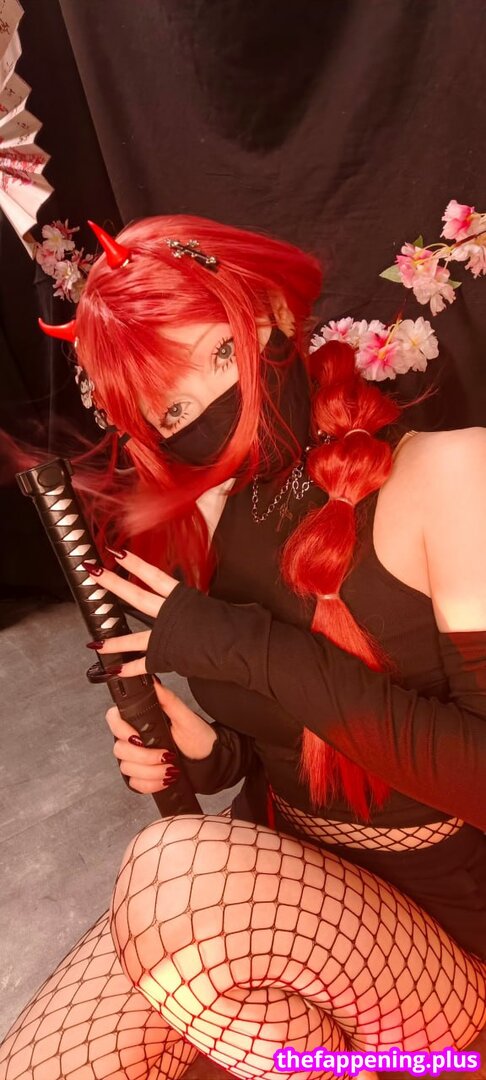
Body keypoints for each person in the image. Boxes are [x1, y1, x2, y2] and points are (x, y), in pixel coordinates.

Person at [1, 216, 485, 1080]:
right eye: (174, 409)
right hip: (284, 882)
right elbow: (282, 748)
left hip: (451, 937)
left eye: (222, 354)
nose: (214, 410)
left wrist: (232, 643)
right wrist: (207, 749)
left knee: (169, 869)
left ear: (274, 316)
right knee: (45, 1063)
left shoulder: (451, 473)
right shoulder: (216, 514)